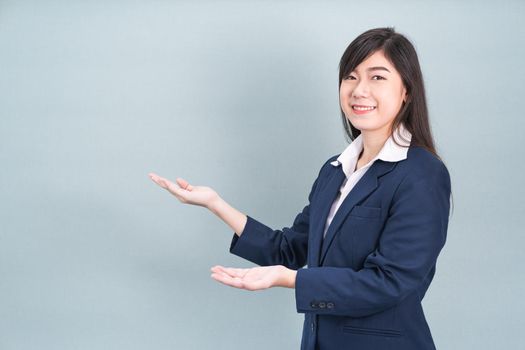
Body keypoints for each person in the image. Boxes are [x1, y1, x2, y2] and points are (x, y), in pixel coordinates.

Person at [149, 27, 452, 350]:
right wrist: (215, 204)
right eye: (350, 77)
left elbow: (390, 282)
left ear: (406, 90)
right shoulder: (335, 171)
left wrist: (287, 279)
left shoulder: (422, 174)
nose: (359, 90)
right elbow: (287, 250)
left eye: (377, 78)